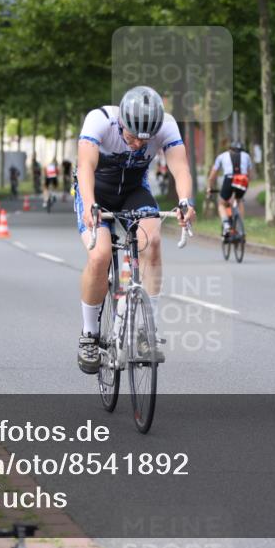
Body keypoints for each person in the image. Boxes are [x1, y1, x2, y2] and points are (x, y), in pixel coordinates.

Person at [74, 85, 195, 374]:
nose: (139, 145)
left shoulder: (166, 125)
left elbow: (180, 168)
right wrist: (90, 205)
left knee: (152, 241)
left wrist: (185, 202)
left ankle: (145, 331)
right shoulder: (99, 119)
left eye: (146, 139)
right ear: (121, 123)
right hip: (95, 193)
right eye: (131, 137)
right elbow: (85, 167)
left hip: (133, 191)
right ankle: (89, 335)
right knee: (100, 255)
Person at [206, 141, 253, 236]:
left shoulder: (222, 156)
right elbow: (250, 174)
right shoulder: (246, 156)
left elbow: (212, 176)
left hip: (229, 179)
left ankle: (226, 225)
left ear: (229, 149)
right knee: (239, 200)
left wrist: (209, 187)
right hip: (243, 180)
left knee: (221, 203)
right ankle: (240, 227)